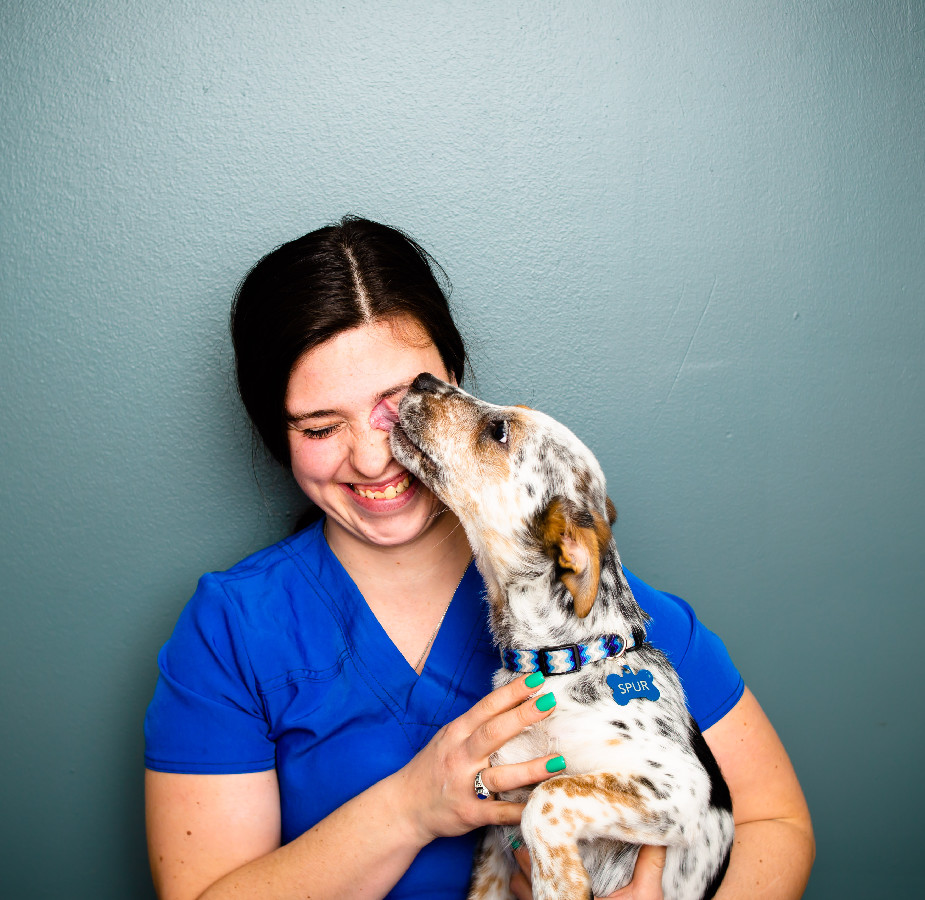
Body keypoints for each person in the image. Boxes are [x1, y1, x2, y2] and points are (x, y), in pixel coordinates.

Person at [144, 216, 814, 900]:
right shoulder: (232, 632)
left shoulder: (616, 632)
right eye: (321, 426)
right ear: (276, 431)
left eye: (400, 402)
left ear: (452, 387)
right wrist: (410, 807)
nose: (375, 457)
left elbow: (776, 821)